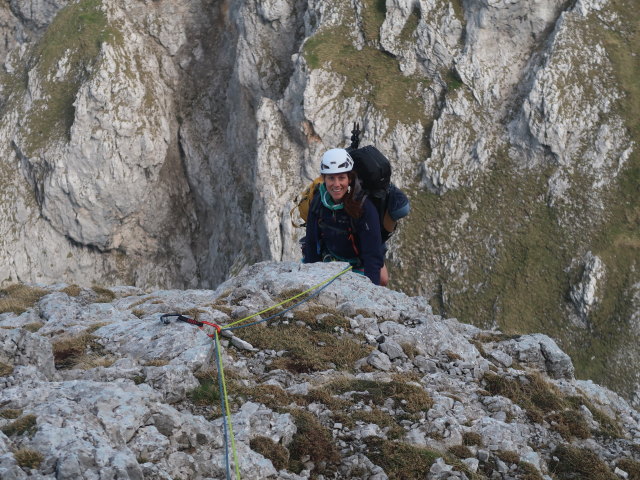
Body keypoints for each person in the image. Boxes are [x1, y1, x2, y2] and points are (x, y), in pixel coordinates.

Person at [303, 148, 388, 286]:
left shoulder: (363, 207)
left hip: (358, 264)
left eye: (341, 177)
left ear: (349, 179)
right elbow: (312, 242)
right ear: (324, 179)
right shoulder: (318, 200)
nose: (336, 184)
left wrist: (372, 290)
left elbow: (372, 254)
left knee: (383, 279)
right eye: (331, 178)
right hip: (330, 260)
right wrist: (311, 278)